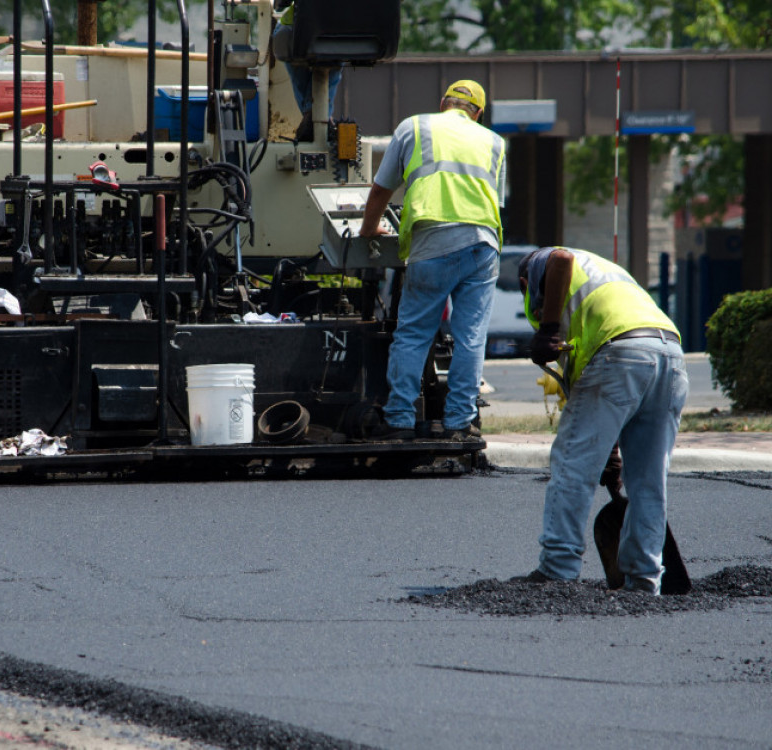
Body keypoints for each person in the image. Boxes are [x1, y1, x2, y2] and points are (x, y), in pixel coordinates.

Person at [514, 246, 688, 595]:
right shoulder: (608, 277)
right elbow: (592, 397)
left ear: (524, 283)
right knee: (648, 480)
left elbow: (559, 258)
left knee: (572, 465)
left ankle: (557, 571)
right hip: (669, 352)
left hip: (620, 351)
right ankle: (643, 579)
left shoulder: (542, 265)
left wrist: (547, 329)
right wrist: (609, 451)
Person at [359, 80, 506, 441]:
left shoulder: (415, 126)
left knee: (413, 334)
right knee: (471, 337)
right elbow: (494, 200)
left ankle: (399, 420)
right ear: (478, 113)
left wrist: (369, 229)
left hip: (433, 241)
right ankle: (459, 423)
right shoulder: (494, 142)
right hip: (483, 243)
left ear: (443, 103)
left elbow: (381, 188)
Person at [272, 2, 343, 141]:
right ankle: (321, 117)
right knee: (338, 56)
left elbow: (281, 3)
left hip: (300, 32)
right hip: (351, 35)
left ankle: (310, 115)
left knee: (294, 56)